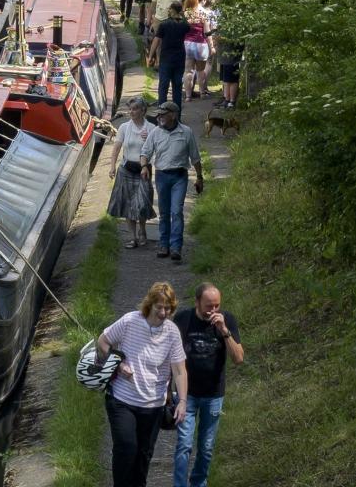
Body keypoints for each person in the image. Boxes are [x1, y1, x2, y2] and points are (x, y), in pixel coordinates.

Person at [95, 282, 189, 487]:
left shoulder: (172, 333)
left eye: (168, 308)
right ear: (150, 305)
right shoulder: (130, 321)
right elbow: (103, 342)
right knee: (126, 447)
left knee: (143, 455)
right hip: (122, 400)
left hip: (153, 405)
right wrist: (118, 364)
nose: (164, 313)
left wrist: (181, 401)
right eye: (160, 307)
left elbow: (180, 370)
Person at [173, 282, 245, 487]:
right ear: (197, 302)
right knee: (184, 445)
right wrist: (169, 391)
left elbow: (239, 358)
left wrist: (224, 330)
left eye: (217, 306)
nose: (213, 310)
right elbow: (171, 356)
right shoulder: (183, 319)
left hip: (213, 395)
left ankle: (198, 483)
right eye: (208, 306)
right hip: (187, 393)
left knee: (206, 447)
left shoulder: (227, 320)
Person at [142, 100, 205, 261]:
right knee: (164, 213)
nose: (160, 117)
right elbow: (145, 153)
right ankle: (164, 245)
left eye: (163, 114)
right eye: (159, 115)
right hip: (162, 176)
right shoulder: (155, 133)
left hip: (179, 176)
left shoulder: (186, 132)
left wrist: (199, 177)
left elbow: (195, 158)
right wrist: (143, 166)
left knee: (176, 211)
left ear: (173, 115)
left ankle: (176, 247)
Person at [108, 98, 158, 248]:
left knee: (142, 203)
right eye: (130, 109)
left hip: (144, 171)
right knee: (127, 205)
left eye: (135, 109)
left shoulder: (151, 128)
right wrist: (112, 166)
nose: (131, 112)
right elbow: (117, 147)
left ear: (143, 110)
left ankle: (142, 231)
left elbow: (157, 150)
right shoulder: (124, 127)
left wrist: (148, 139)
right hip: (126, 169)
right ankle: (133, 237)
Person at [147, 3, 189, 110]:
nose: (168, 10)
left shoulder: (164, 25)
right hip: (180, 58)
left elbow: (156, 41)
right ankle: (177, 115)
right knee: (177, 87)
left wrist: (150, 56)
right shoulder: (185, 25)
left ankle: (162, 111)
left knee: (163, 86)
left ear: (173, 10)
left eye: (170, 9)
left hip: (166, 58)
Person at [181, 0, 212, 99]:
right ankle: (202, 93)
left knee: (188, 71)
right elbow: (207, 33)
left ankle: (188, 96)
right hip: (201, 45)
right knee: (201, 70)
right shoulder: (202, 14)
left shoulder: (184, 15)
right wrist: (211, 46)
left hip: (187, 44)